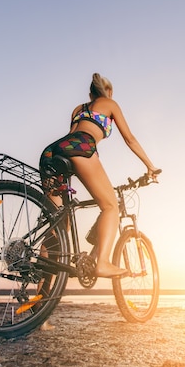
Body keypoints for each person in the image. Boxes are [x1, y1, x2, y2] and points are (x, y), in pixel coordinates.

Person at [39, 73, 160, 278]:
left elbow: (71, 137)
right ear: (108, 91)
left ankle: (43, 292)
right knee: (110, 206)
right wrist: (150, 166)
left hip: (52, 151)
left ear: (90, 93)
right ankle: (102, 263)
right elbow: (129, 139)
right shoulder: (110, 103)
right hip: (81, 146)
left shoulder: (78, 109)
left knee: (59, 224)